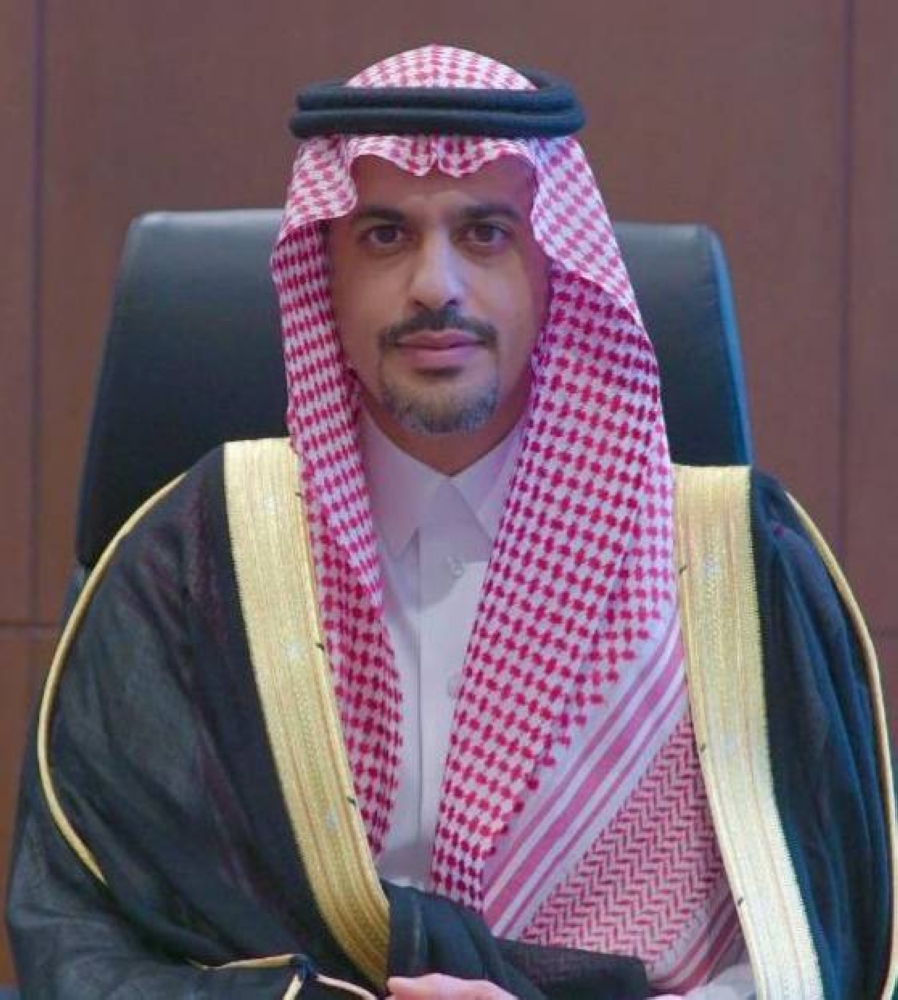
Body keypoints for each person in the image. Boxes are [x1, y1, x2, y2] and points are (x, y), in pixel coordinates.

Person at [7, 45, 896, 1000]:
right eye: (385, 235)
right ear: (325, 274)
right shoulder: (198, 558)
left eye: (485, 233)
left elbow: (820, 954)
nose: (435, 284)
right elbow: (80, 936)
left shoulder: (732, 569)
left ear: (555, 268)